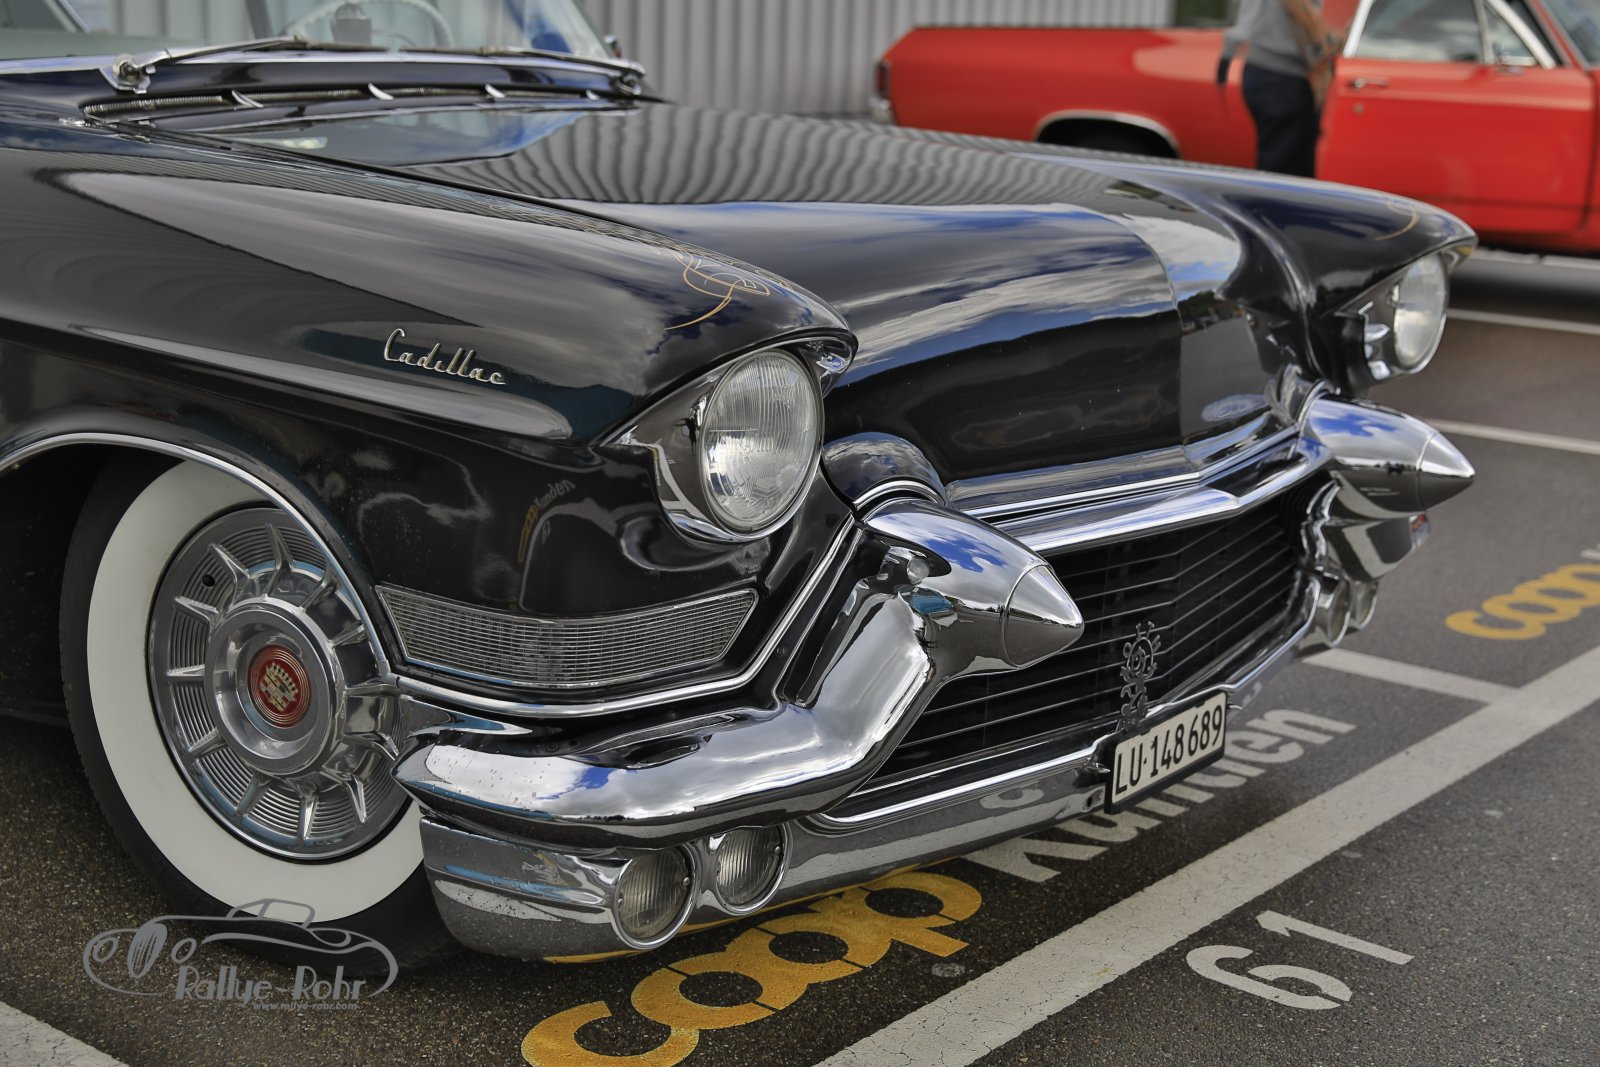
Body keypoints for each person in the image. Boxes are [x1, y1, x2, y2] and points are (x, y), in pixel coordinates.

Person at [1218, 0, 1342, 178]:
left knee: (1278, 156)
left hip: (1260, 70)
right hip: (1283, 76)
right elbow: (1308, 31)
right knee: (1286, 165)